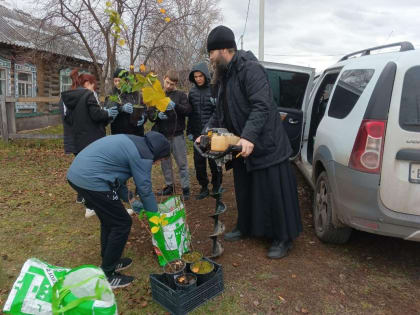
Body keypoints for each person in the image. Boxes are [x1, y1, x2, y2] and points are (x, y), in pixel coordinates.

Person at [197, 25, 303, 259]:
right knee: (246, 190)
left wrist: (248, 137)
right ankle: (246, 227)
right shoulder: (225, 76)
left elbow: (262, 105)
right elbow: (220, 112)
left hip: (266, 144)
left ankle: (282, 238)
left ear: (224, 49)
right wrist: (206, 132)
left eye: (212, 53)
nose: (211, 59)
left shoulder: (250, 69)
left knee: (273, 193)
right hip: (241, 146)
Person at [66, 131, 170, 288]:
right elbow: (145, 190)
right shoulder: (144, 155)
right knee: (121, 223)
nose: (157, 163)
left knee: (109, 220)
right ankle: (108, 275)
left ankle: (109, 259)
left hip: (78, 174)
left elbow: (117, 178)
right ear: (158, 153)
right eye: (161, 159)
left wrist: (131, 200)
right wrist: (155, 220)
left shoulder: (135, 143)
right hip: (92, 180)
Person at [61, 69, 118, 208]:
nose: (94, 89)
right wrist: (107, 114)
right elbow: (96, 115)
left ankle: (84, 197)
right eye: (93, 85)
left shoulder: (69, 97)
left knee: (84, 168)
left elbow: (70, 118)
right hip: (91, 138)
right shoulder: (88, 95)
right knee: (95, 169)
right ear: (87, 83)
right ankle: (92, 201)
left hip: (79, 138)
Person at [147, 70, 192, 200]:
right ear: (164, 78)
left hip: (177, 135)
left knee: (182, 163)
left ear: (176, 84)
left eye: (171, 84)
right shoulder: (157, 94)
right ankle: (169, 186)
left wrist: (175, 106)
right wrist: (156, 116)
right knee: (165, 163)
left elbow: (188, 110)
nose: (168, 86)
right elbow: (150, 113)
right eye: (167, 83)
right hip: (162, 135)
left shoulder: (181, 95)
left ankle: (185, 188)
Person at [187, 62, 222, 199]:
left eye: (200, 76)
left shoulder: (214, 89)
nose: (198, 79)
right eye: (195, 76)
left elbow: (218, 112)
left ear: (205, 75)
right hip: (196, 133)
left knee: (214, 161)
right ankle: (204, 187)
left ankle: (217, 185)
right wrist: (189, 130)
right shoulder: (192, 92)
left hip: (211, 133)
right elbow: (190, 113)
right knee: (199, 163)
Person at [106, 68, 146, 137]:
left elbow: (144, 109)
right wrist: (121, 108)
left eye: (119, 81)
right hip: (119, 132)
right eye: (115, 81)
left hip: (136, 133)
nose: (117, 83)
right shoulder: (112, 93)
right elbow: (109, 106)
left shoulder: (135, 93)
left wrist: (144, 118)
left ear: (126, 81)